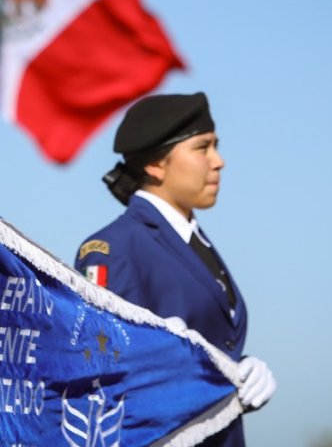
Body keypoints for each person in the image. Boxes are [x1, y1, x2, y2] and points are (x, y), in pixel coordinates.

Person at [75, 93, 276, 447]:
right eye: (202, 148)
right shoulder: (113, 248)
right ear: (156, 164)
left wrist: (238, 373)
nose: (218, 161)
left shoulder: (194, 242)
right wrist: (161, 358)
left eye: (216, 146)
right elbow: (102, 375)